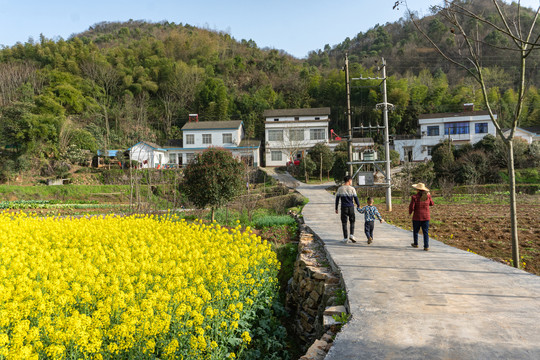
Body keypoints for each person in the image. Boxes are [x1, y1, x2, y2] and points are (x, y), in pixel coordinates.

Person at [409, 183, 435, 251]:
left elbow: (412, 207)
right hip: (426, 217)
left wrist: (410, 212)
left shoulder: (414, 197)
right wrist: (429, 195)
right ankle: (426, 246)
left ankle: (416, 243)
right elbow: (432, 204)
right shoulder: (428, 196)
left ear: (417, 190)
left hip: (417, 217)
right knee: (425, 232)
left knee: (416, 231)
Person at [335, 175, 360, 243]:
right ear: (349, 181)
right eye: (351, 180)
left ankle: (345, 238)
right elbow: (355, 198)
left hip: (343, 208)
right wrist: (358, 205)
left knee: (344, 223)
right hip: (351, 207)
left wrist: (336, 208)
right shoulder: (352, 189)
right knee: (352, 221)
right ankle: (351, 235)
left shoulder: (340, 189)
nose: (351, 182)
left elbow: (337, 199)